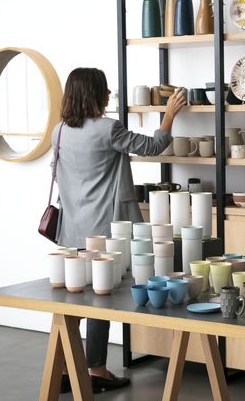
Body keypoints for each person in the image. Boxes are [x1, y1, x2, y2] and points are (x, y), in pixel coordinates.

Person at [51, 68, 186, 393]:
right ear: (94, 94)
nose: (110, 93)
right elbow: (155, 146)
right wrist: (168, 114)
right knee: (100, 299)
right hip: (106, 229)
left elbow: (56, 175)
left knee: (71, 301)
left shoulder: (58, 132)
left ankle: (67, 369)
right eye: (105, 89)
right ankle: (95, 368)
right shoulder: (108, 129)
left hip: (71, 231)